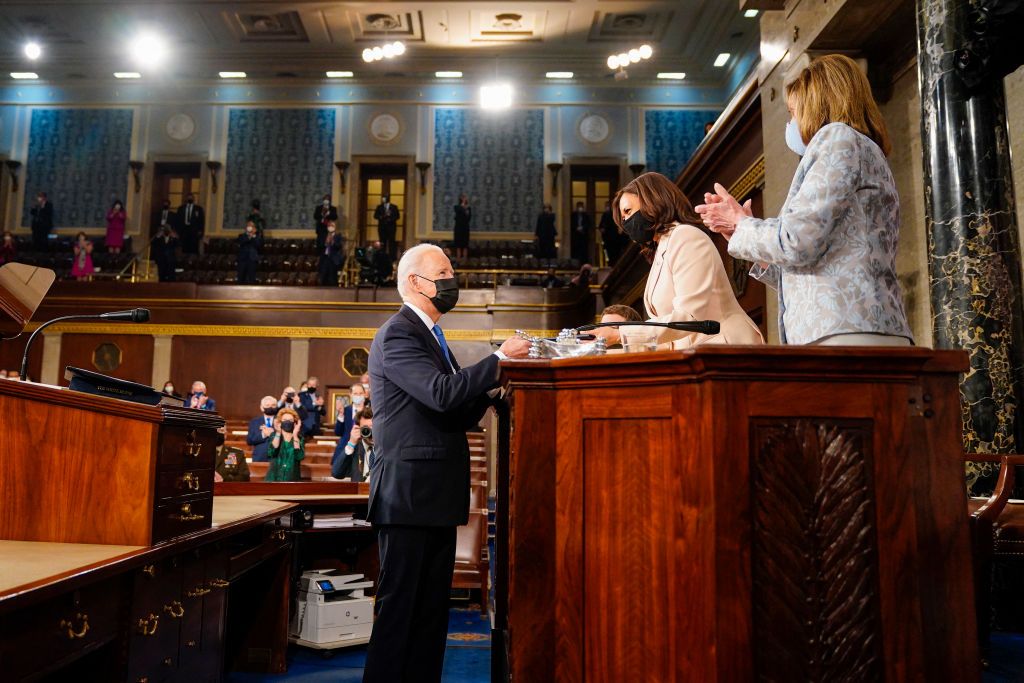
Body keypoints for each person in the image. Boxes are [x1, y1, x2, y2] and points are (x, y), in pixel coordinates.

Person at [361, 243, 531, 683]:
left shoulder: (432, 336)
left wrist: (496, 392)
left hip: (432, 493)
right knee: (400, 613)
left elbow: (454, 409)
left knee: (431, 615)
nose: (453, 279)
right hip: (408, 493)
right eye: (445, 271)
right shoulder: (399, 332)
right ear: (417, 282)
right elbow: (440, 392)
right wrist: (499, 360)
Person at [695, 54, 912, 346]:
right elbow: (809, 262)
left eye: (792, 111)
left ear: (816, 105)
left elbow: (797, 242)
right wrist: (745, 236)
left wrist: (744, 224)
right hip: (853, 328)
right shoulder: (860, 146)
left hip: (846, 331)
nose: (791, 122)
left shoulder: (837, 138)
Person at [606, 172, 763, 349]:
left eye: (628, 211)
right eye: (623, 219)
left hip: (725, 349)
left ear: (653, 200)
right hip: (697, 354)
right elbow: (669, 335)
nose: (626, 223)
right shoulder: (662, 248)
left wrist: (619, 334)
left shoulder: (685, 236)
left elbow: (690, 315)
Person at [331, 406, 375, 482]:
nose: (370, 432)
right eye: (366, 428)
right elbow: (336, 473)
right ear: (358, 429)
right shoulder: (355, 448)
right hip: (360, 493)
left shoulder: (389, 448)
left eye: (373, 427)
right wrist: (351, 444)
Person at [265, 407, 305, 482]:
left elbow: (299, 456)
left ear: (295, 423)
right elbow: (272, 452)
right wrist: (278, 432)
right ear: (280, 422)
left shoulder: (299, 438)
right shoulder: (274, 435)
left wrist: (295, 435)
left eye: (290, 420)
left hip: (292, 478)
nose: (287, 422)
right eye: (285, 420)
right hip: (274, 477)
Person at [247, 396, 280, 462]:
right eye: (267, 405)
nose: (270, 407)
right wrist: (263, 434)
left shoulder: (281, 420)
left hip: (277, 458)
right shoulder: (254, 421)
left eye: (273, 405)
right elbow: (249, 440)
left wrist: (272, 434)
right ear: (262, 408)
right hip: (259, 458)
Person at [318, 220, 345, 286]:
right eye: (329, 226)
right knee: (323, 274)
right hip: (325, 257)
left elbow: (339, 246)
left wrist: (332, 242)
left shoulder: (338, 236)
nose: (330, 227)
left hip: (333, 258)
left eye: (332, 226)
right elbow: (320, 245)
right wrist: (325, 242)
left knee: (332, 276)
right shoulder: (325, 235)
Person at [598, 200, 625, 265]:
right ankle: (609, 263)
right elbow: (601, 225)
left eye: (607, 206)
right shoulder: (605, 214)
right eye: (606, 206)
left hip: (615, 238)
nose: (606, 207)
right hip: (607, 239)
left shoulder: (615, 214)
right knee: (607, 253)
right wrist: (602, 229)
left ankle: (614, 264)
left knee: (615, 253)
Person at [373, 194, 400, 259]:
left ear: (388, 198)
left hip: (391, 228)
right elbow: (375, 216)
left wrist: (390, 219)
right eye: (383, 198)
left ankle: (392, 258)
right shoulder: (379, 207)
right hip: (382, 228)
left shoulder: (394, 207)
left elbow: (397, 216)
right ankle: (382, 257)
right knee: (382, 242)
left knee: (391, 243)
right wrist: (382, 217)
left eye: (384, 198)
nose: (383, 199)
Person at [237, 220, 262, 284]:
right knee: (241, 278)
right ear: (246, 227)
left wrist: (253, 235)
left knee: (251, 279)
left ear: (254, 228)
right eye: (249, 225)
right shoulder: (241, 236)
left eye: (251, 226)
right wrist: (249, 236)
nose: (250, 227)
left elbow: (258, 245)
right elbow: (242, 242)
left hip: (252, 260)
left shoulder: (257, 237)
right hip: (242, 260)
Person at [453, 194, 472, 261]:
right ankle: (458, 259)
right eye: (463, 197)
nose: (465, 198)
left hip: (465, 228)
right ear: (460, 198)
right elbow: (458, 211)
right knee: (458, 244)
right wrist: (463, 205)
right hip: (458, 228)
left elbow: (468, 218)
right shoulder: (456, 207)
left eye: (465, 197)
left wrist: (466, 209)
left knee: (465, 244)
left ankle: (464, 259)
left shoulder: (468, 208)